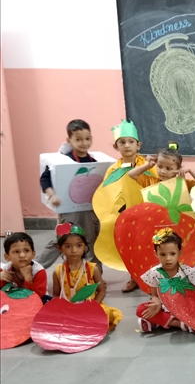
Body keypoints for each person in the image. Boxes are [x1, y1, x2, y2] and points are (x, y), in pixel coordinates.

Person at [36, 119, 102, 269]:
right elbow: (45, 178)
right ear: (69, 140)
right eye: (78, 139)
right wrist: (52, 195)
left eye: (87, 139)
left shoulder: (96, 161)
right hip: (69, 210)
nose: (84, 143)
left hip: (90, 210)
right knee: (61, 238)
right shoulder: (63, 161)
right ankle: (36, 268)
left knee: (92, 239)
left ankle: (95, 274)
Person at [102, 119, 159, 293]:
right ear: (116, 146)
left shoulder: (148, 166)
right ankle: (134, 277)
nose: (127, 145)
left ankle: (153, 279)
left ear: (138, 145)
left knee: (151, 245)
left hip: (147, 213)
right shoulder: (113, 170)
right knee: (131, 247)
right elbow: (108, 193)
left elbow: (156, 186)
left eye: (130, 141)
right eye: (122, 142)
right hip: (126, 215)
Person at [52, 222, 123, 331]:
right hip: (69, 308)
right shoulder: (58, 272)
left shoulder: (92, 269)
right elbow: (56, 295)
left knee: (105, 312)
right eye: (68, 246)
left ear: (85, 246)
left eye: (79, 245)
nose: (74, 250)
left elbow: (102, 291)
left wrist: (93, 306)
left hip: (90, 306)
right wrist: (63, 308)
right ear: (60, 248)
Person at [136, 229, 195, 333]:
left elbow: (192, 295)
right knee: (141, 309)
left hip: (183, 307)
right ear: (156, 254)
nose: (168, 258)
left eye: (172, 254)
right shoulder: (154, 273)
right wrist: (157, 304)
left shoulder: (187, 272)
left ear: (179, 253)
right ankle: (181, 324)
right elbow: (154, 295)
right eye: (163, 254)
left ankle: (157, 322)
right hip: (163, 306)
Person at [129, 142, 195, 189]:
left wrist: (190, 170)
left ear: (178, 169)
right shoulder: (151, 182)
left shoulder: (183, 184)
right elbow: (131, 174)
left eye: (168, 168)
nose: (162, 171)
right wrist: (147, 166)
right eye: (160, 166)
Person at [1, 232, 51, 303]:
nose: (22, 255)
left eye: (26, 251)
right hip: (13, 301)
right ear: (7, 257)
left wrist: (28, 279)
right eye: (16, 251)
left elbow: (39, 295)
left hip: (36, 301)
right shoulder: (5, 270)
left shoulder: (38, 271)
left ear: (33, 254)